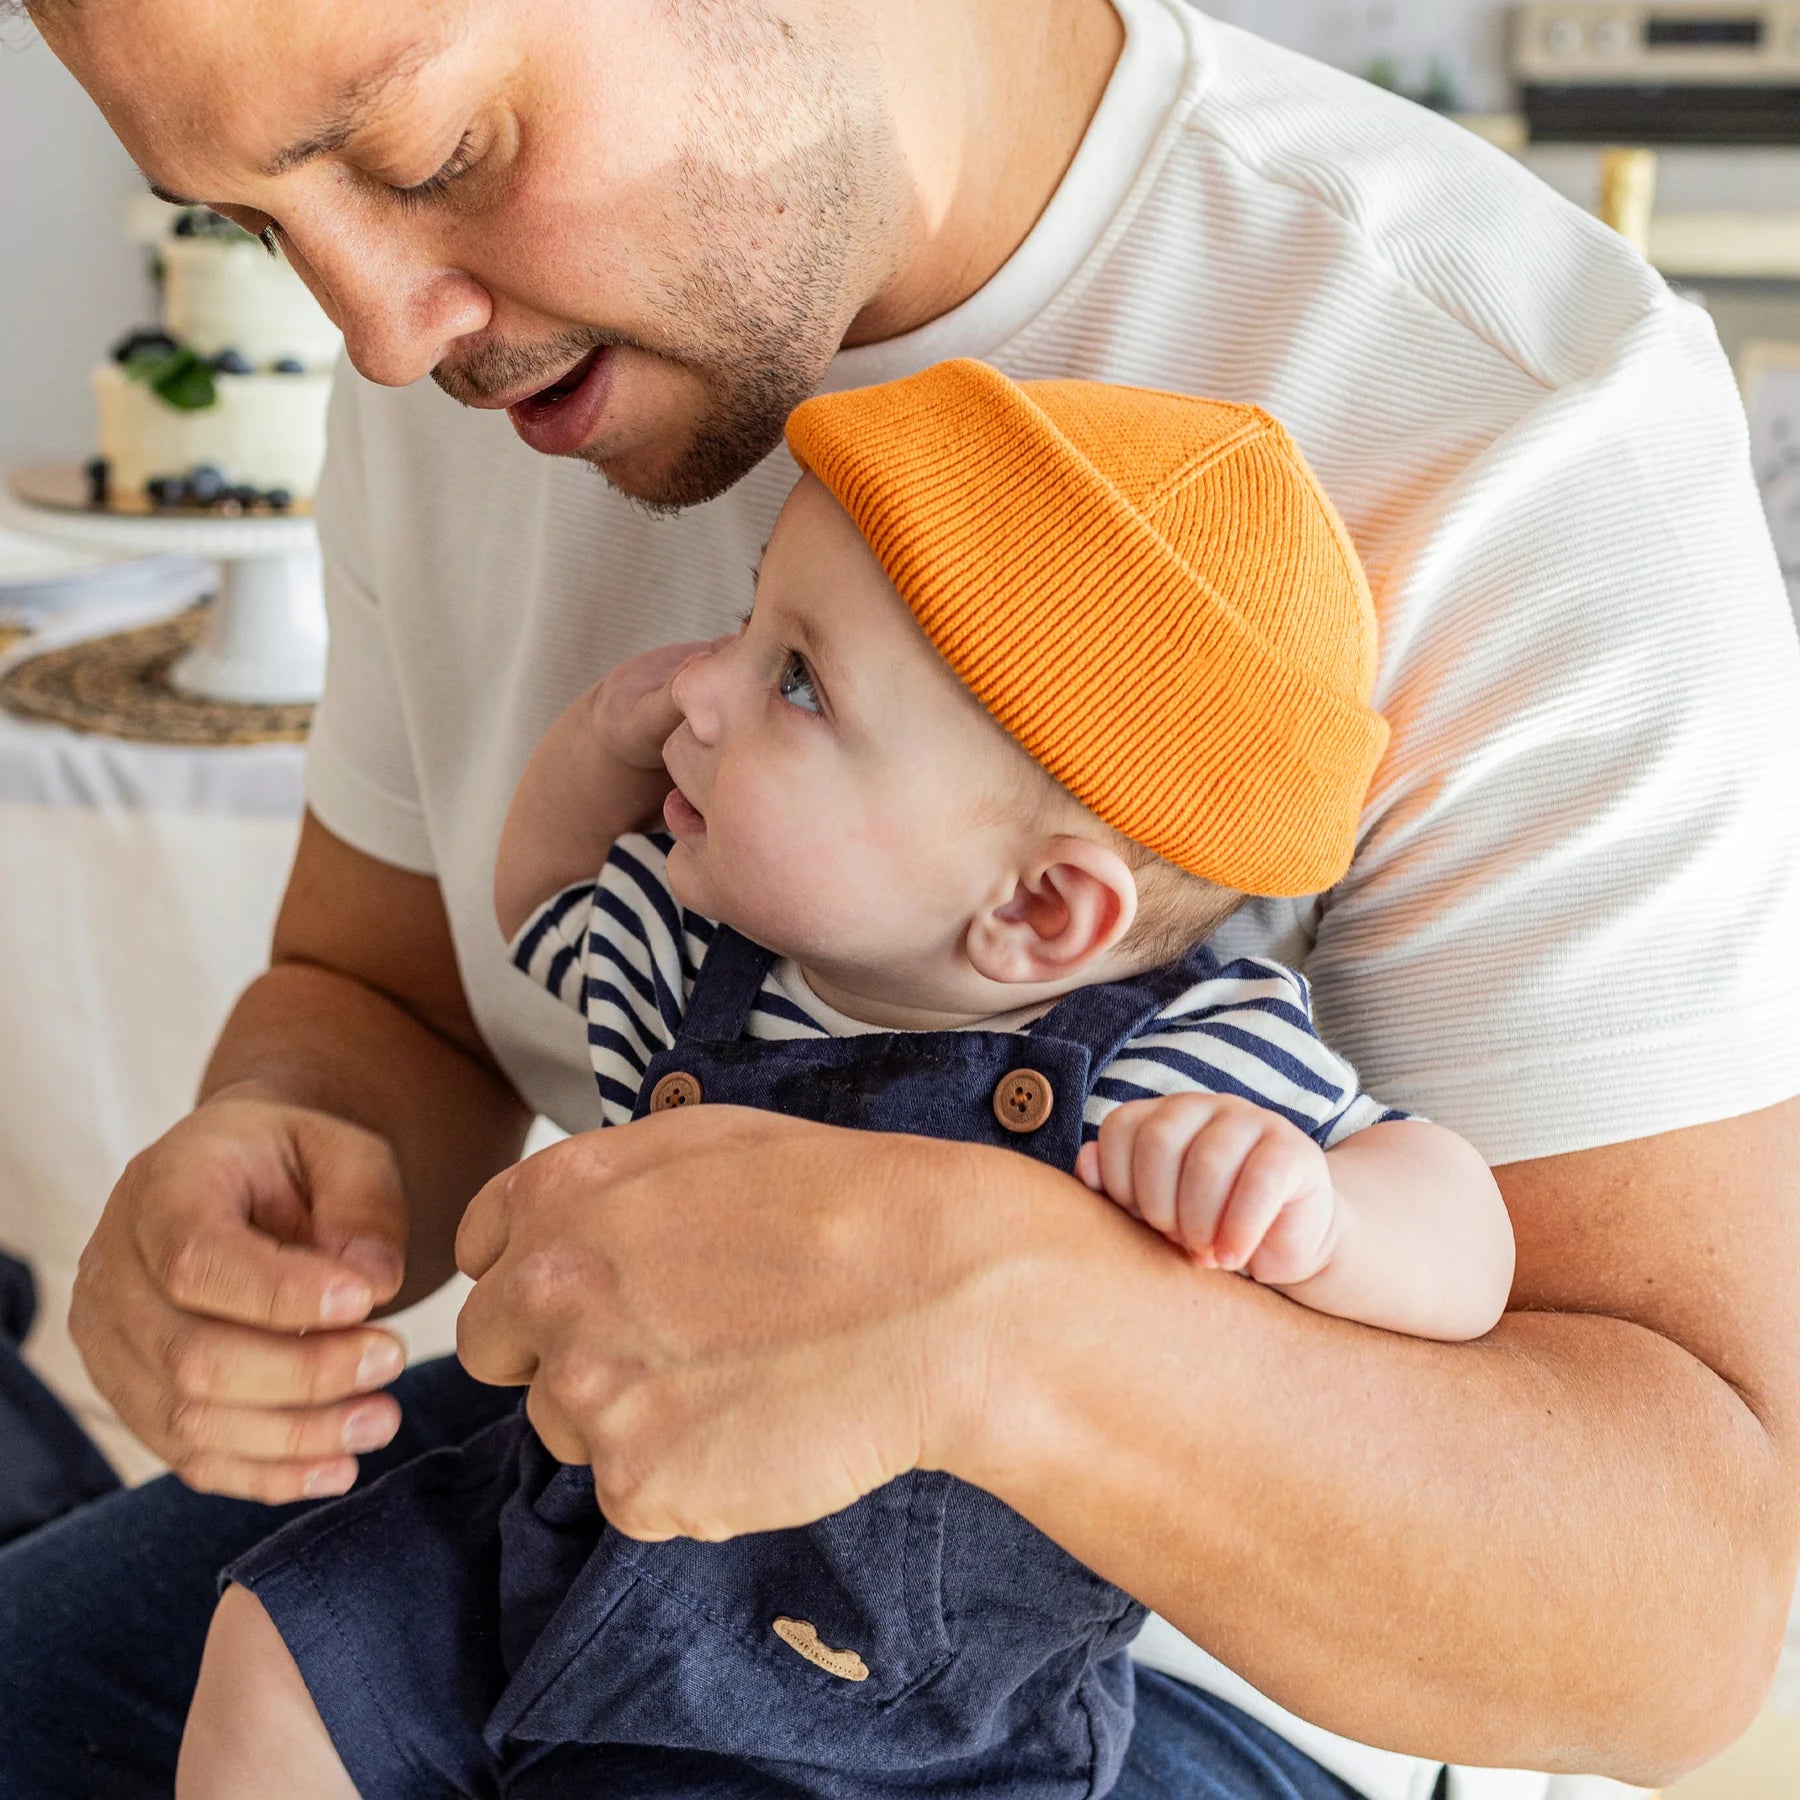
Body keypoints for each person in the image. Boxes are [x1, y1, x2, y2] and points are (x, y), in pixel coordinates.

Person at [3, 0, 1799, 1796]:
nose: (383, 340)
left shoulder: (1522, 415)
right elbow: (385, 995)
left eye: (432, 153)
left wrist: (998, 1321)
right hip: (578, 1469)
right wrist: (278, 1159)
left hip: (1143, 1662)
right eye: (260, 223)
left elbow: (1677, 1630)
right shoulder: (452, 348)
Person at [176, 365, 1513, 1797]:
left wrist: (1321, 1212)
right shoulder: (701, 952)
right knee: (284, 1634)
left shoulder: (1170, 1065)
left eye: (797, 680)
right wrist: (592, 745)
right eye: (751, 619)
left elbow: (1468, 1237)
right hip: (551, 1538)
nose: (701, 684)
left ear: (1038, 910)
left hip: (875, 1709)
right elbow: (541, 910)